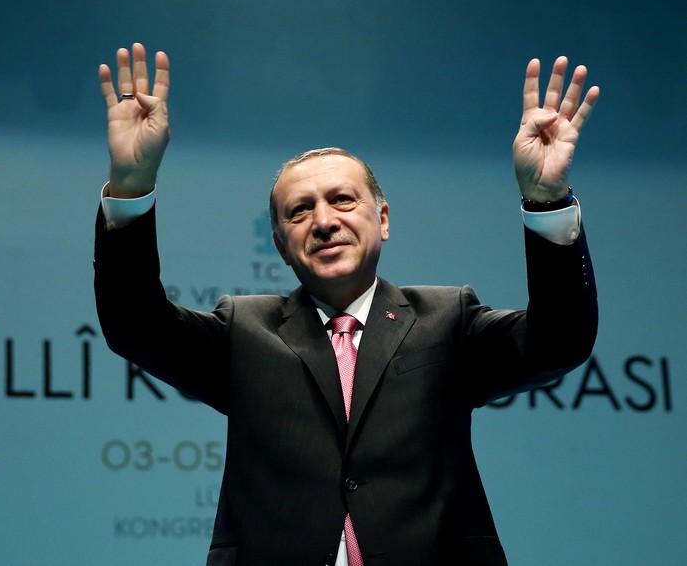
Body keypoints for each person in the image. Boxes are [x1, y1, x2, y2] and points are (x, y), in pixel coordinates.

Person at [93, 43, 598, 566]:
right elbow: (135, 325)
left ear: (382, 219)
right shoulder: (243, 332)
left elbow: (558, 342)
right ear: (280, 244)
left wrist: (547, 203)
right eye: (300, 211)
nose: (325, 220)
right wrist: (132, 188)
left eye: (342, 200)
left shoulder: (449, 320)